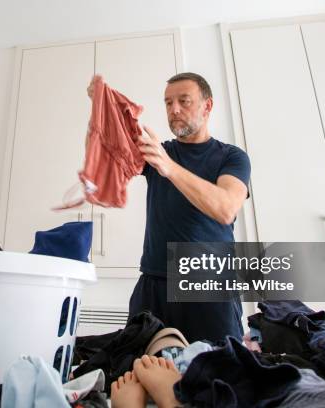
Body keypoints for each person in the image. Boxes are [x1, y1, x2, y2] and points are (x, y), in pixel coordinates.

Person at [87, 72, 251, 344]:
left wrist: (169, 167)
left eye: (184, 101)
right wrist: (102, 102)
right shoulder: (157, 152)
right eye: (168, 103)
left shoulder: (232, 157)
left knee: (218, 376)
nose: (174, 110)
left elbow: (226, 208)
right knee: (137, 371)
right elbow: (115, 141)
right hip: (153, 285)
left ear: (207, 106)